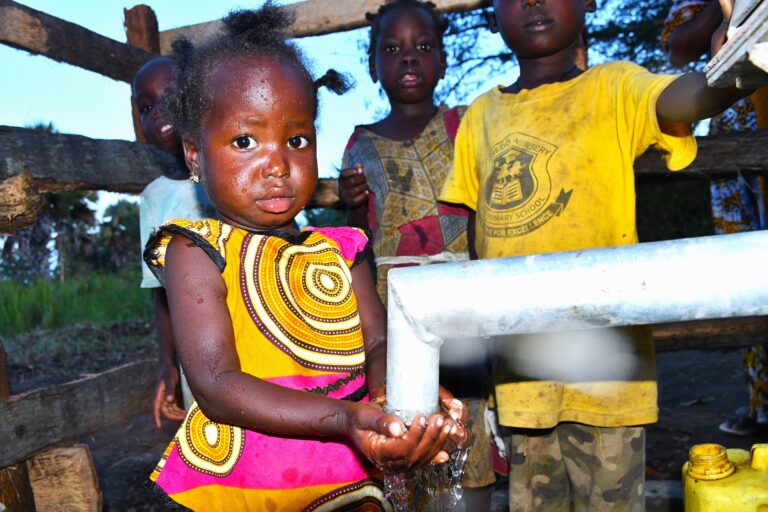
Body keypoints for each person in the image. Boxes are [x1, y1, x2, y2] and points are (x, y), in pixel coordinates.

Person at [143, 4, 470, 510]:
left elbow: (380, 340)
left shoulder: (342, 249)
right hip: (249, 484)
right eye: (245, 141)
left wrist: (394, 402)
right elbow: (216, 384)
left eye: (296, 139)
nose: (276, 164)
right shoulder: (197, 252)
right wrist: (344, 418)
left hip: (350, 470)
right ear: (194, 155)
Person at [439, 0, 762, 510]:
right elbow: (480, 242)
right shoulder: (481, 115)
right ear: (491, 13)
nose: (533, 3)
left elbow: (684, 99)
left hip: (608, 370)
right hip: (523, 373)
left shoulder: (614, 86)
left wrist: (733, 63)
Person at [338, 0, 496, 507]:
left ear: (444, 59)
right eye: (393, 49)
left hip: (462, 307)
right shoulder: (360, 144)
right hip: (395, 312)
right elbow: (359, 241)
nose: (409, 59)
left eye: (423, 47)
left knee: (462, 420)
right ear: (373, 66)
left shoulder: (464, 126)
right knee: (405, 414)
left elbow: (483, 220)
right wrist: (351, 207)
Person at [662, 0, 768, 437]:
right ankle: (761, 402)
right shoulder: (690, 4)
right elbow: (677, 49)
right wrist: (727, 12)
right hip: (733, 144)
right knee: (746, 273)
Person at [134, 56, 217, 429]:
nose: (158, 113)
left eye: (170, 97)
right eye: (147, 106)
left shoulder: (230, 172)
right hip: (195, 354)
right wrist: (167, 363)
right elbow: (161, 292)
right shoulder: (155, 198)